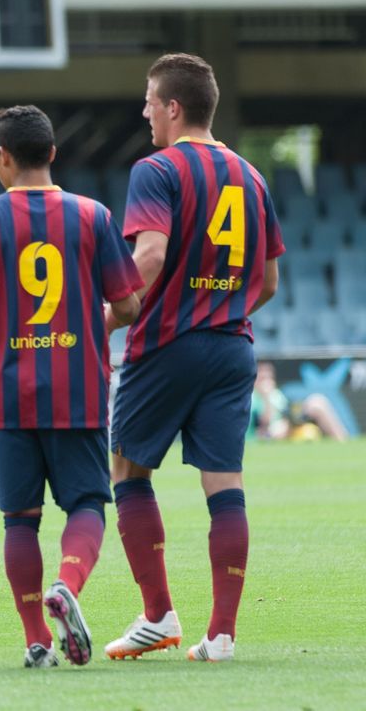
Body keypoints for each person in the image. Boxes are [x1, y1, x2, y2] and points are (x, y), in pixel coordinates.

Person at [0, 105, 142, 668]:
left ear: (1, 158)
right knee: (85, 504)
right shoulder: (93, 216)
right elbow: (127, 302)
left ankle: (37, 639)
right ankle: (69, 585)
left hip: (7, 392)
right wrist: (91, 322)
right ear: (53, 153)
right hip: (77, 387)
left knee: (19, 518)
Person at [104, 53, 284, 663]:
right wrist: (223, 307)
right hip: (233, 346)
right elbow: (269, 280)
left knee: (129, 472)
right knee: (224, 485)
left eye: (151, 102)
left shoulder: (157, 169)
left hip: (165, 345)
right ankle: (223, 636)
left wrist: (103, 318)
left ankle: (158, 615)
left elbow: (149, 258)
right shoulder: (250, 174)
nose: (146, 111)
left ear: (174, 108)